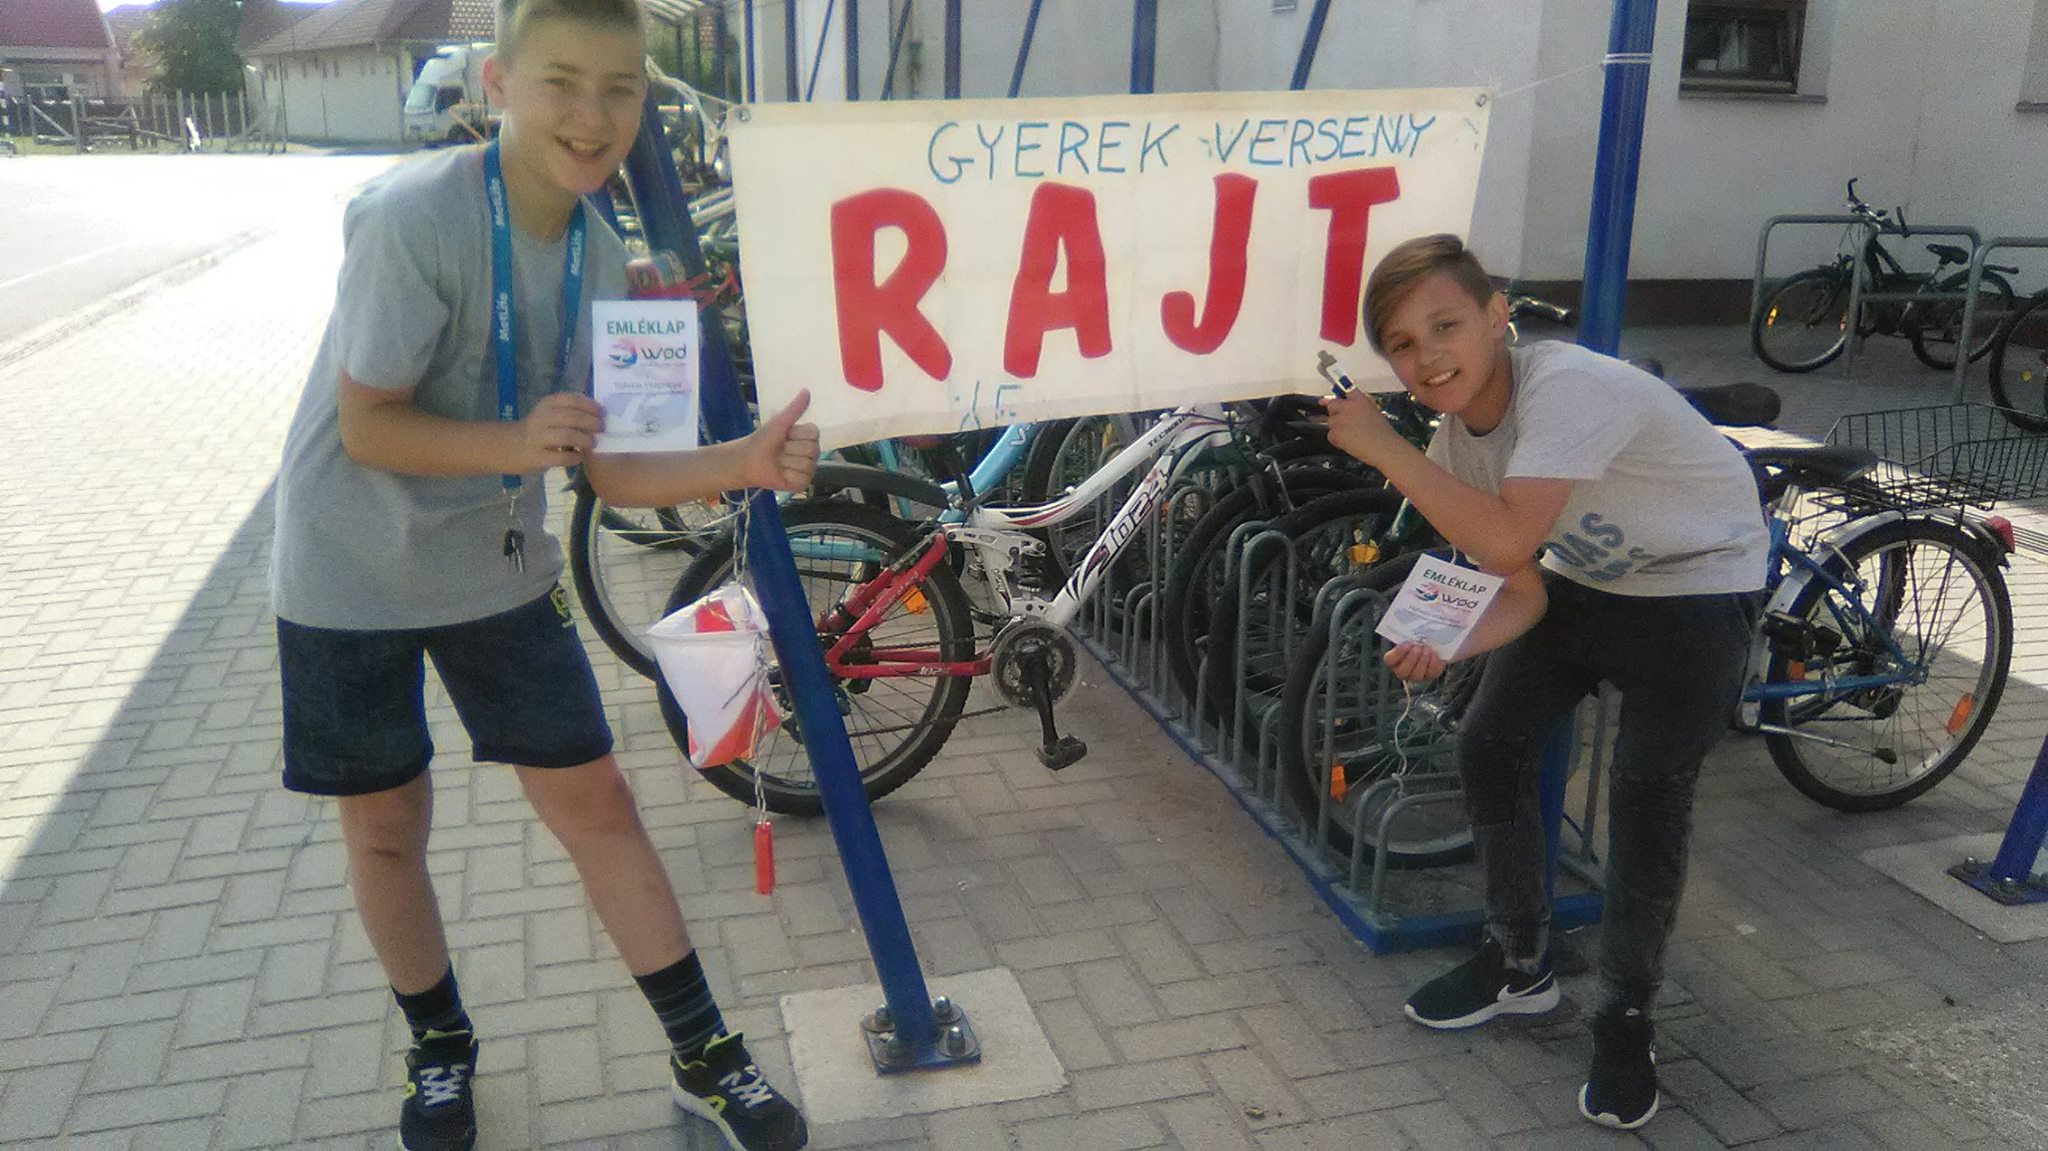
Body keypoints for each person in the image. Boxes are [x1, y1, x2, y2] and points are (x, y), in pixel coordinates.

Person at [267, 1, 816, 1147]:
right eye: (562, 80)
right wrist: (517, 443)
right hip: (345, 571)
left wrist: (741, 461)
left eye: (620, 88)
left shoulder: (600, 250)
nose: (592, 115)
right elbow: (369, 426)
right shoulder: (410, 218)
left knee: (597, 802)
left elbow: (610, 470)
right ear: (498, 82)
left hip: (495, 566)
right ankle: (439, 1047)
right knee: (386, 826)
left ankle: (704, 1052)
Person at [1320, 234, 1767, 1131]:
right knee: (1490, 742)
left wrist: (1386, 450)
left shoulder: (1565, 386)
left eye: (1444, 325)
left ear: (1498, 317)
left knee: (1646, 793)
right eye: (1401, 344)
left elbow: (1508, 538)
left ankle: (1626, 1015)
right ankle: (1519, 961)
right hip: (1585, 582)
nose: (1426, 357)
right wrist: (1450, 644)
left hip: (1697, 587)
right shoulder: (1457, 441)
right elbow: (1519, 589)